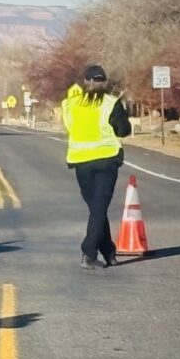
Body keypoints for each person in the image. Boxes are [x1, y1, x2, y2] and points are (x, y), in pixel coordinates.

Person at [61, 64, 131, 270]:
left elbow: (69, 126)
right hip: (106, 160)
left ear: (86, 82)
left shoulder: (70, 104)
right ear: (104, 83)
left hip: (81, 161)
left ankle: (108, 251)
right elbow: (123, 130)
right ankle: (89, 252)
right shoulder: (111, 103)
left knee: (97, 208)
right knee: (98, 208)